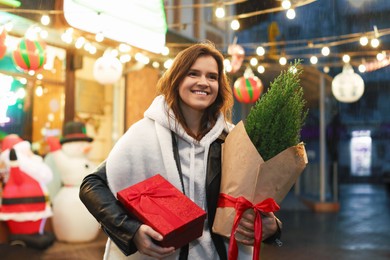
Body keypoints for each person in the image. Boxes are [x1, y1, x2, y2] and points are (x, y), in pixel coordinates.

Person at [79, 42, 282, 260]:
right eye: (193, 74)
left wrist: (273, 229)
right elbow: (91, 185)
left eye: (212, 77)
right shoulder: (144, 133)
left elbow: (252, 203)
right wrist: (132, 231)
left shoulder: (233, 139)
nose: (203, 82)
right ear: (177, 79)